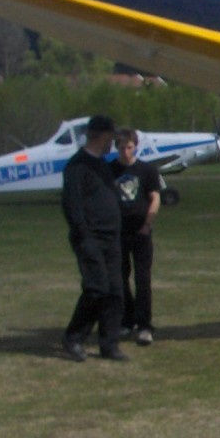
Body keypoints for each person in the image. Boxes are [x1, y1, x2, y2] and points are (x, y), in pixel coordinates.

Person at [61, 114, 127, 361]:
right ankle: (74, 337)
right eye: (111, 137)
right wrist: (84, 236)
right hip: (90, 238)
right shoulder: (77, 166)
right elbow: (72, 205)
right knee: (96, 288)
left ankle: (109, 344)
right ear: (103, 136)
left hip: (111, 238)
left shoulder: (102, 164)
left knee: (115, 292)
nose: (113, 143)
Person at [111, 127, 164, 345]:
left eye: (129, 147)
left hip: (140, 231)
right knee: (119, 279)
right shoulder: (109, 170)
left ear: (135, 147)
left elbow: (155, 198)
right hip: (118, 232)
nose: (125, 152)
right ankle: (127, 321)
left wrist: (147, 224)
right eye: (122, 148)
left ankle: (145, 326)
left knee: (142, 279)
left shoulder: (147, 170)